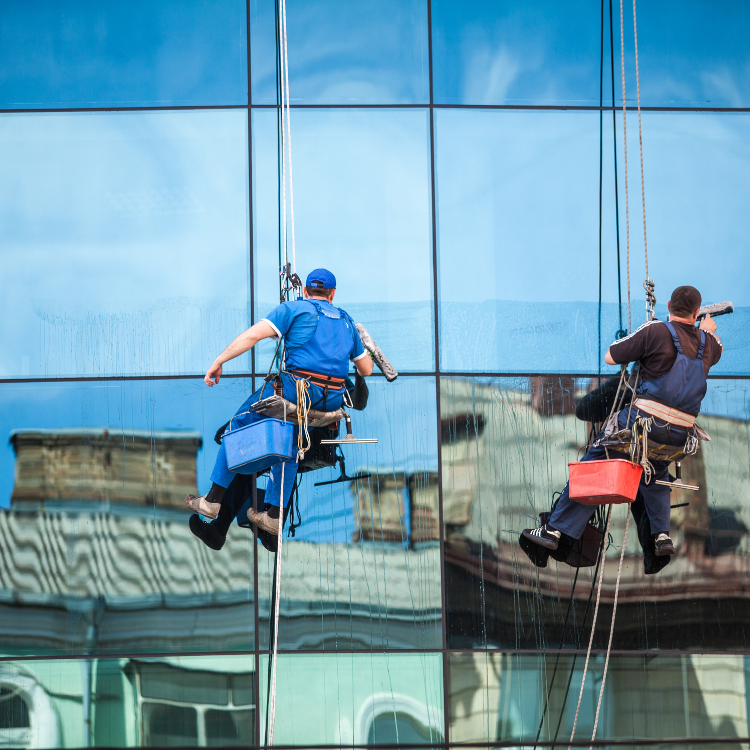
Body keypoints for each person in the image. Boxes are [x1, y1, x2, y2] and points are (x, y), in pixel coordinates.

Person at [521, 285, 722, 563]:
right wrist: (708, 328)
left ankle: (554, 531)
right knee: (657, 472)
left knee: (594, 464)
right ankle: (661, 535)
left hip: (642, 422)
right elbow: (712, 343)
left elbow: (611, 356)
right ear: (697, 312)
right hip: (680, 434)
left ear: (668, 305)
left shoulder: (655, 331)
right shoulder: (709, 343)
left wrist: (644, 335)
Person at [186, 268, 373, 543]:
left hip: (296, 394)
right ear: (332, 294)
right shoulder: (347, 322)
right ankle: (273, 516)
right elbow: (366, 369)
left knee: (235, 429)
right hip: (328, 407)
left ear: (305, 291)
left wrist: (219, 361)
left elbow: (252, 336)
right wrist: (363, 349)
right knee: (289, 449)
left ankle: (212, 501)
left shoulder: (294, 310)